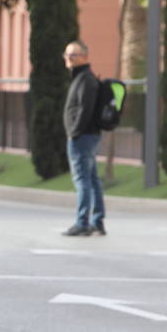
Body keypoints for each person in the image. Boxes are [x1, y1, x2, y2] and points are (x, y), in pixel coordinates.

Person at [62, 41, 106, 236]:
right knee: (92, 179)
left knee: (82, 180)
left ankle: (83, 222)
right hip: (87, 135)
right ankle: (97, 220)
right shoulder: (81, 78)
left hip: (83, 136)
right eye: (67, 55)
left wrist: (74, 131)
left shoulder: (86, 80)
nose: (69, 59)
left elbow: (84, 109)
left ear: (85, 57)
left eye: (73, 55)